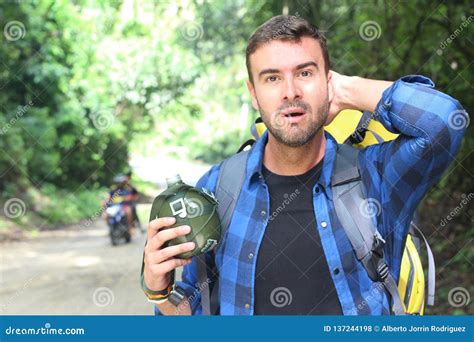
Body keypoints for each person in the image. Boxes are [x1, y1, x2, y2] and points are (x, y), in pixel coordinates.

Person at [142, 15, 468, 315]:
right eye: (272, 78)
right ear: (253, 94)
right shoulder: (218, 187)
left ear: (328, 81)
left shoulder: (376, 176)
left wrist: (348, 90)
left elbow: (444, 122)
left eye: (305, 73)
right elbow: (190, 314)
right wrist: (160, 291)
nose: (290, 92)